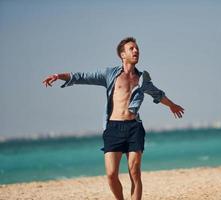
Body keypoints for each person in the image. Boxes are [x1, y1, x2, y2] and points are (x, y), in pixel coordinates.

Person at [42, 37, 184, 200]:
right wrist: (59, 75)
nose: (136, 51)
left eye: (137, 48)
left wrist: (172, 105)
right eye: (132, 49)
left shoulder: (143, 78)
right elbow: (83, 76)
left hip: (134, 128)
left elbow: (157, 93)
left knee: (135, 171)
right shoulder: (110, 74)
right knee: (111, 174)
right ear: (122, 55)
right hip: (113, 128)